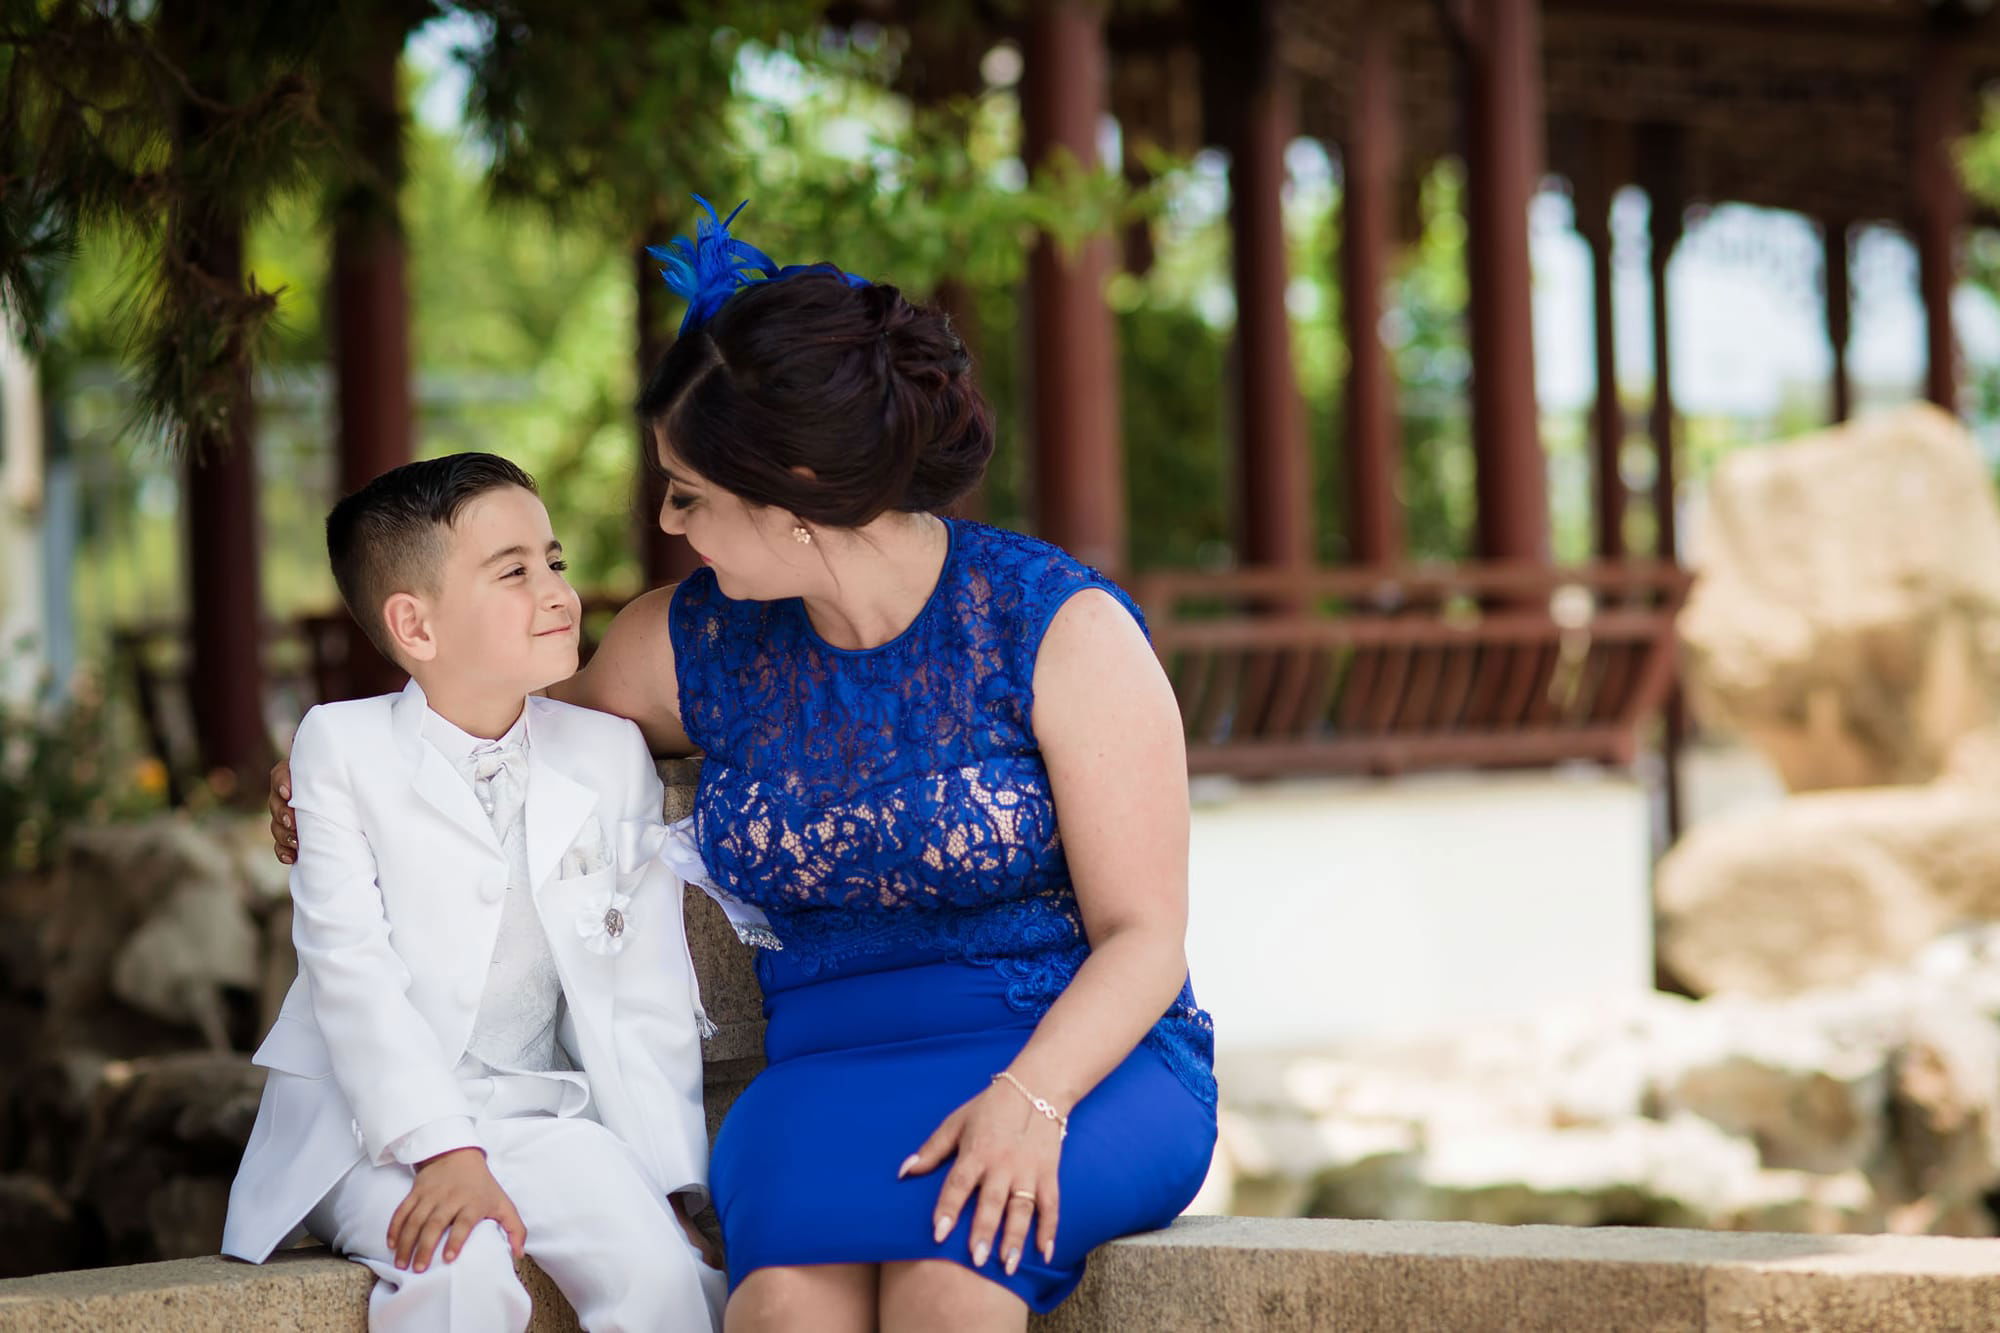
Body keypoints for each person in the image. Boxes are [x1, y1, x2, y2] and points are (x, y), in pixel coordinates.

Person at [271, 200, 1217, 1332]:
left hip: (1071, 1058)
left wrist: (1030, 1101)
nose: (669, 523)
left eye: (693, 495)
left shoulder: (1054, 628)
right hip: (823, 1067)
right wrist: (334, 780)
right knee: (773, 1313)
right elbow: (478, 722)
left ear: (797, 493)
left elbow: (1145, 938)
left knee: (950, 1294)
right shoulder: (685, 644)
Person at [227, 453, 724, 1333]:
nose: (558, 592)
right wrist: (443, 1147)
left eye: (557, 561)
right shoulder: (339, 748)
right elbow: (352, 973)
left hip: (541, 1110)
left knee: (660, 1275)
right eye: (515, 571)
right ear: (414, 625)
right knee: (458, 1269)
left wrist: (669, 1178)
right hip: (364, 1129)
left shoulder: (607, 753)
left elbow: (642, 988)